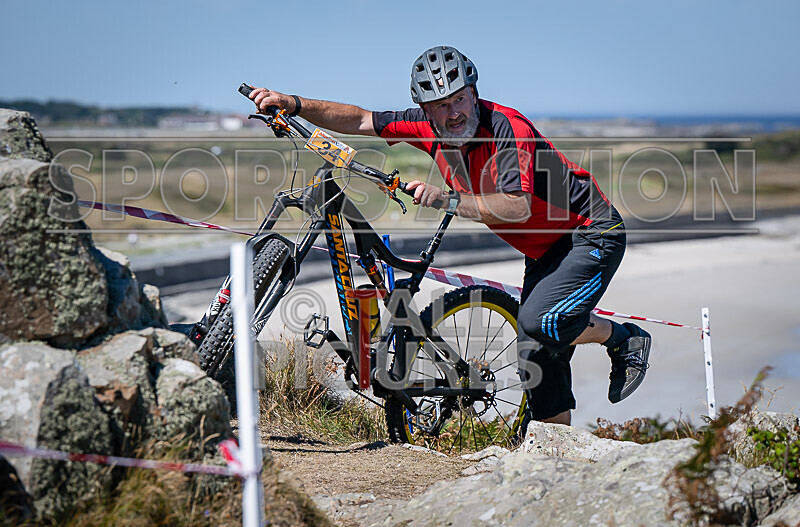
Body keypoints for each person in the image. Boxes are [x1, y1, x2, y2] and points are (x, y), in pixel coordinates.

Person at [247, 45, 651, 426]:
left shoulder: (508, 128)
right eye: (441, 105)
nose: (454, 112)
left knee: (537, 324)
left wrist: (447, 198)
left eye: (459, 98)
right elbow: (359, 119)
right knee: (538, 353)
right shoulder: (425, 127)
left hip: (590, 232)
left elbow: (517, 206)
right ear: (426, 109)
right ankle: (555, 450)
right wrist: (293, 103)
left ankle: (623, 337)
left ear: (474, 92)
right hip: (545, 247)